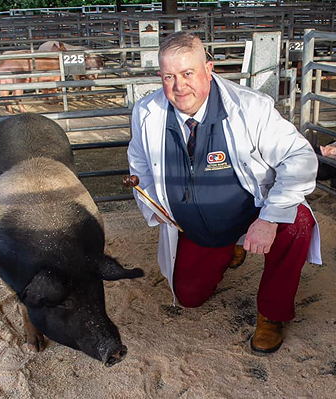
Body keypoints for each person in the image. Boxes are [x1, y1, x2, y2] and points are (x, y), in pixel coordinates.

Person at [127, 32, 321, 354]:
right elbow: (139, 160)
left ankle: (272, 314)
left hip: (251, 214)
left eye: (188, 73)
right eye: (168, 77)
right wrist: (154, 203)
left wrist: (269, 219)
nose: (179, 86)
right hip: (195, 225)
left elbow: (299, 158)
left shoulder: (251, 107)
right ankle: (230, 248)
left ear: (209, 68)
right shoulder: (147, 112)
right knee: (189, 297)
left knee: (297, 222)